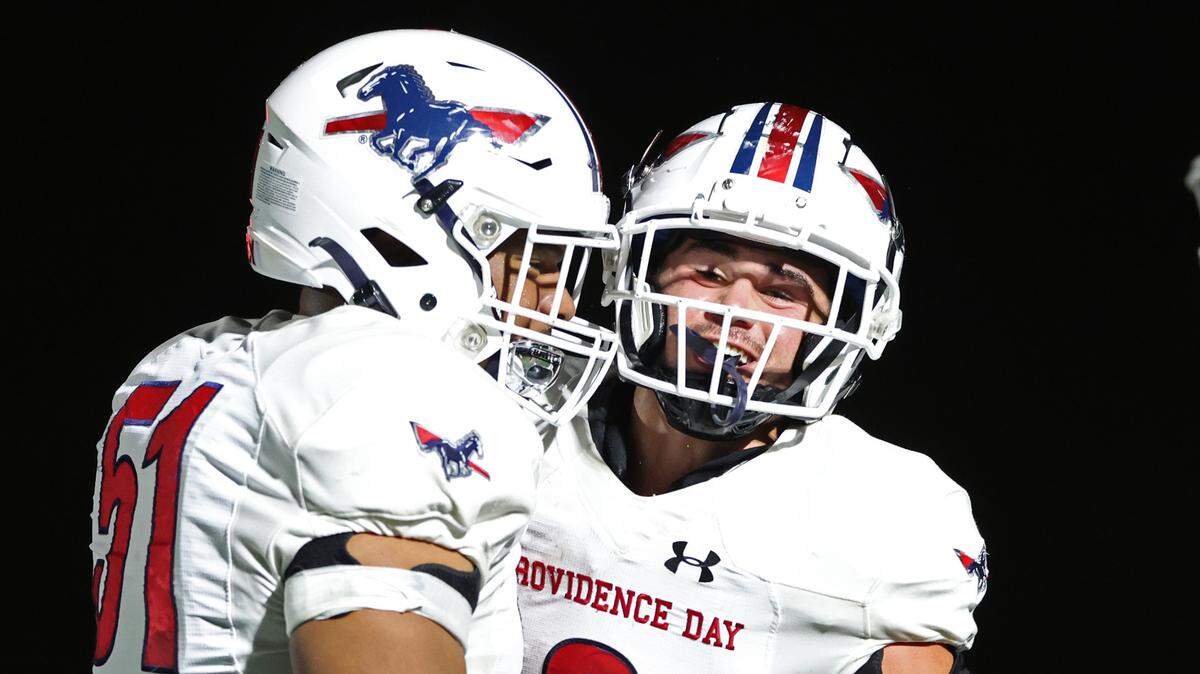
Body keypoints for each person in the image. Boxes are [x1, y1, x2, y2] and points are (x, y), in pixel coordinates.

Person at [89, 30, 618, 674]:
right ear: (417, 232)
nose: (560, 306)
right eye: (537, 262)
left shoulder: (187, 362)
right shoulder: (398, 390)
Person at [517, 103, 987, 673]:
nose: (734, 310)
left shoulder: (886, 516)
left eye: (781, 293)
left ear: (847, 326)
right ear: (637, 271)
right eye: (708, 274)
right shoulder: (517, 415)